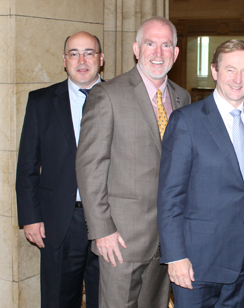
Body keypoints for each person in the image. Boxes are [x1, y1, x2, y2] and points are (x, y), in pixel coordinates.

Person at [76, 17, 190, 307]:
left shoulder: (182, 98)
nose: (158, 53)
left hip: (167, 241)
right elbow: (90, 168)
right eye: (150, 43)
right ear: (136, 49)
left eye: (166, 45)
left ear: (175, 53)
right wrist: (101, 230)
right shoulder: (107, 95)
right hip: (121, 240)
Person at [157, 39, 244, 308]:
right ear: (214, 71)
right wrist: (175, 256)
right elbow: (170, 196)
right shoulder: (187, 120)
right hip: (197, 263)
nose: (237, 78)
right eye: (230, 69)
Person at [16, 31, 103, 308]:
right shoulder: (41, 102)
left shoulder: (120, 99)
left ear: (101, 59)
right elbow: (27, 165)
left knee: (108, 301)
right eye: (74, 53)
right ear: (64, 60)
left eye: (89, 52)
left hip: (111, 222)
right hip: (60, 223)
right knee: (58, 301)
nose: (82, 60)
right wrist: (30, 217)